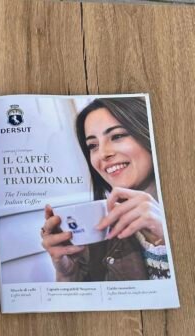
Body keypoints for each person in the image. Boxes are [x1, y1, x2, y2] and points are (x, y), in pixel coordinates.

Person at [41, 97, 170, 281]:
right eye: (93, 146)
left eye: (117, 136)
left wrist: (167, 237)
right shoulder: (99, 234)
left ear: (148, 134)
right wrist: (68, 274)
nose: (103, 154)